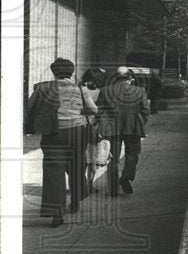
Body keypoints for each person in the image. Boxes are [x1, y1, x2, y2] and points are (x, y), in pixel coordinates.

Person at [24, 58, 98, 226]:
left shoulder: (43, 88)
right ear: (71, 72)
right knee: (77, 165)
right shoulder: (80, 88)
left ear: (54, 72)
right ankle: (77, 199)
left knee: (53, 171)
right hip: (77, 132)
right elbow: (94, 109)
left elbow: (30, 109)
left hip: (53, 133)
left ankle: (56, 213)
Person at [96, 67, 150, 196]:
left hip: (111, 128)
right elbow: (146, 110)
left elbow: (99, 110)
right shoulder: (139, 90)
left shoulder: (105, 91)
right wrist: (141, 122)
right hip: (133, 127)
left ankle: (113, 188)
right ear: (130, 78)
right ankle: (126, 177)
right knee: (133, 154)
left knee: (113, 158)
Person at [79, 68, 107, 194]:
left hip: (89, 126)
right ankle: (86, 184)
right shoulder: (82, 89)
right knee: (88, 159)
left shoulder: (82, 89)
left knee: (90, 160)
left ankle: (87, 183)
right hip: (88, 126)